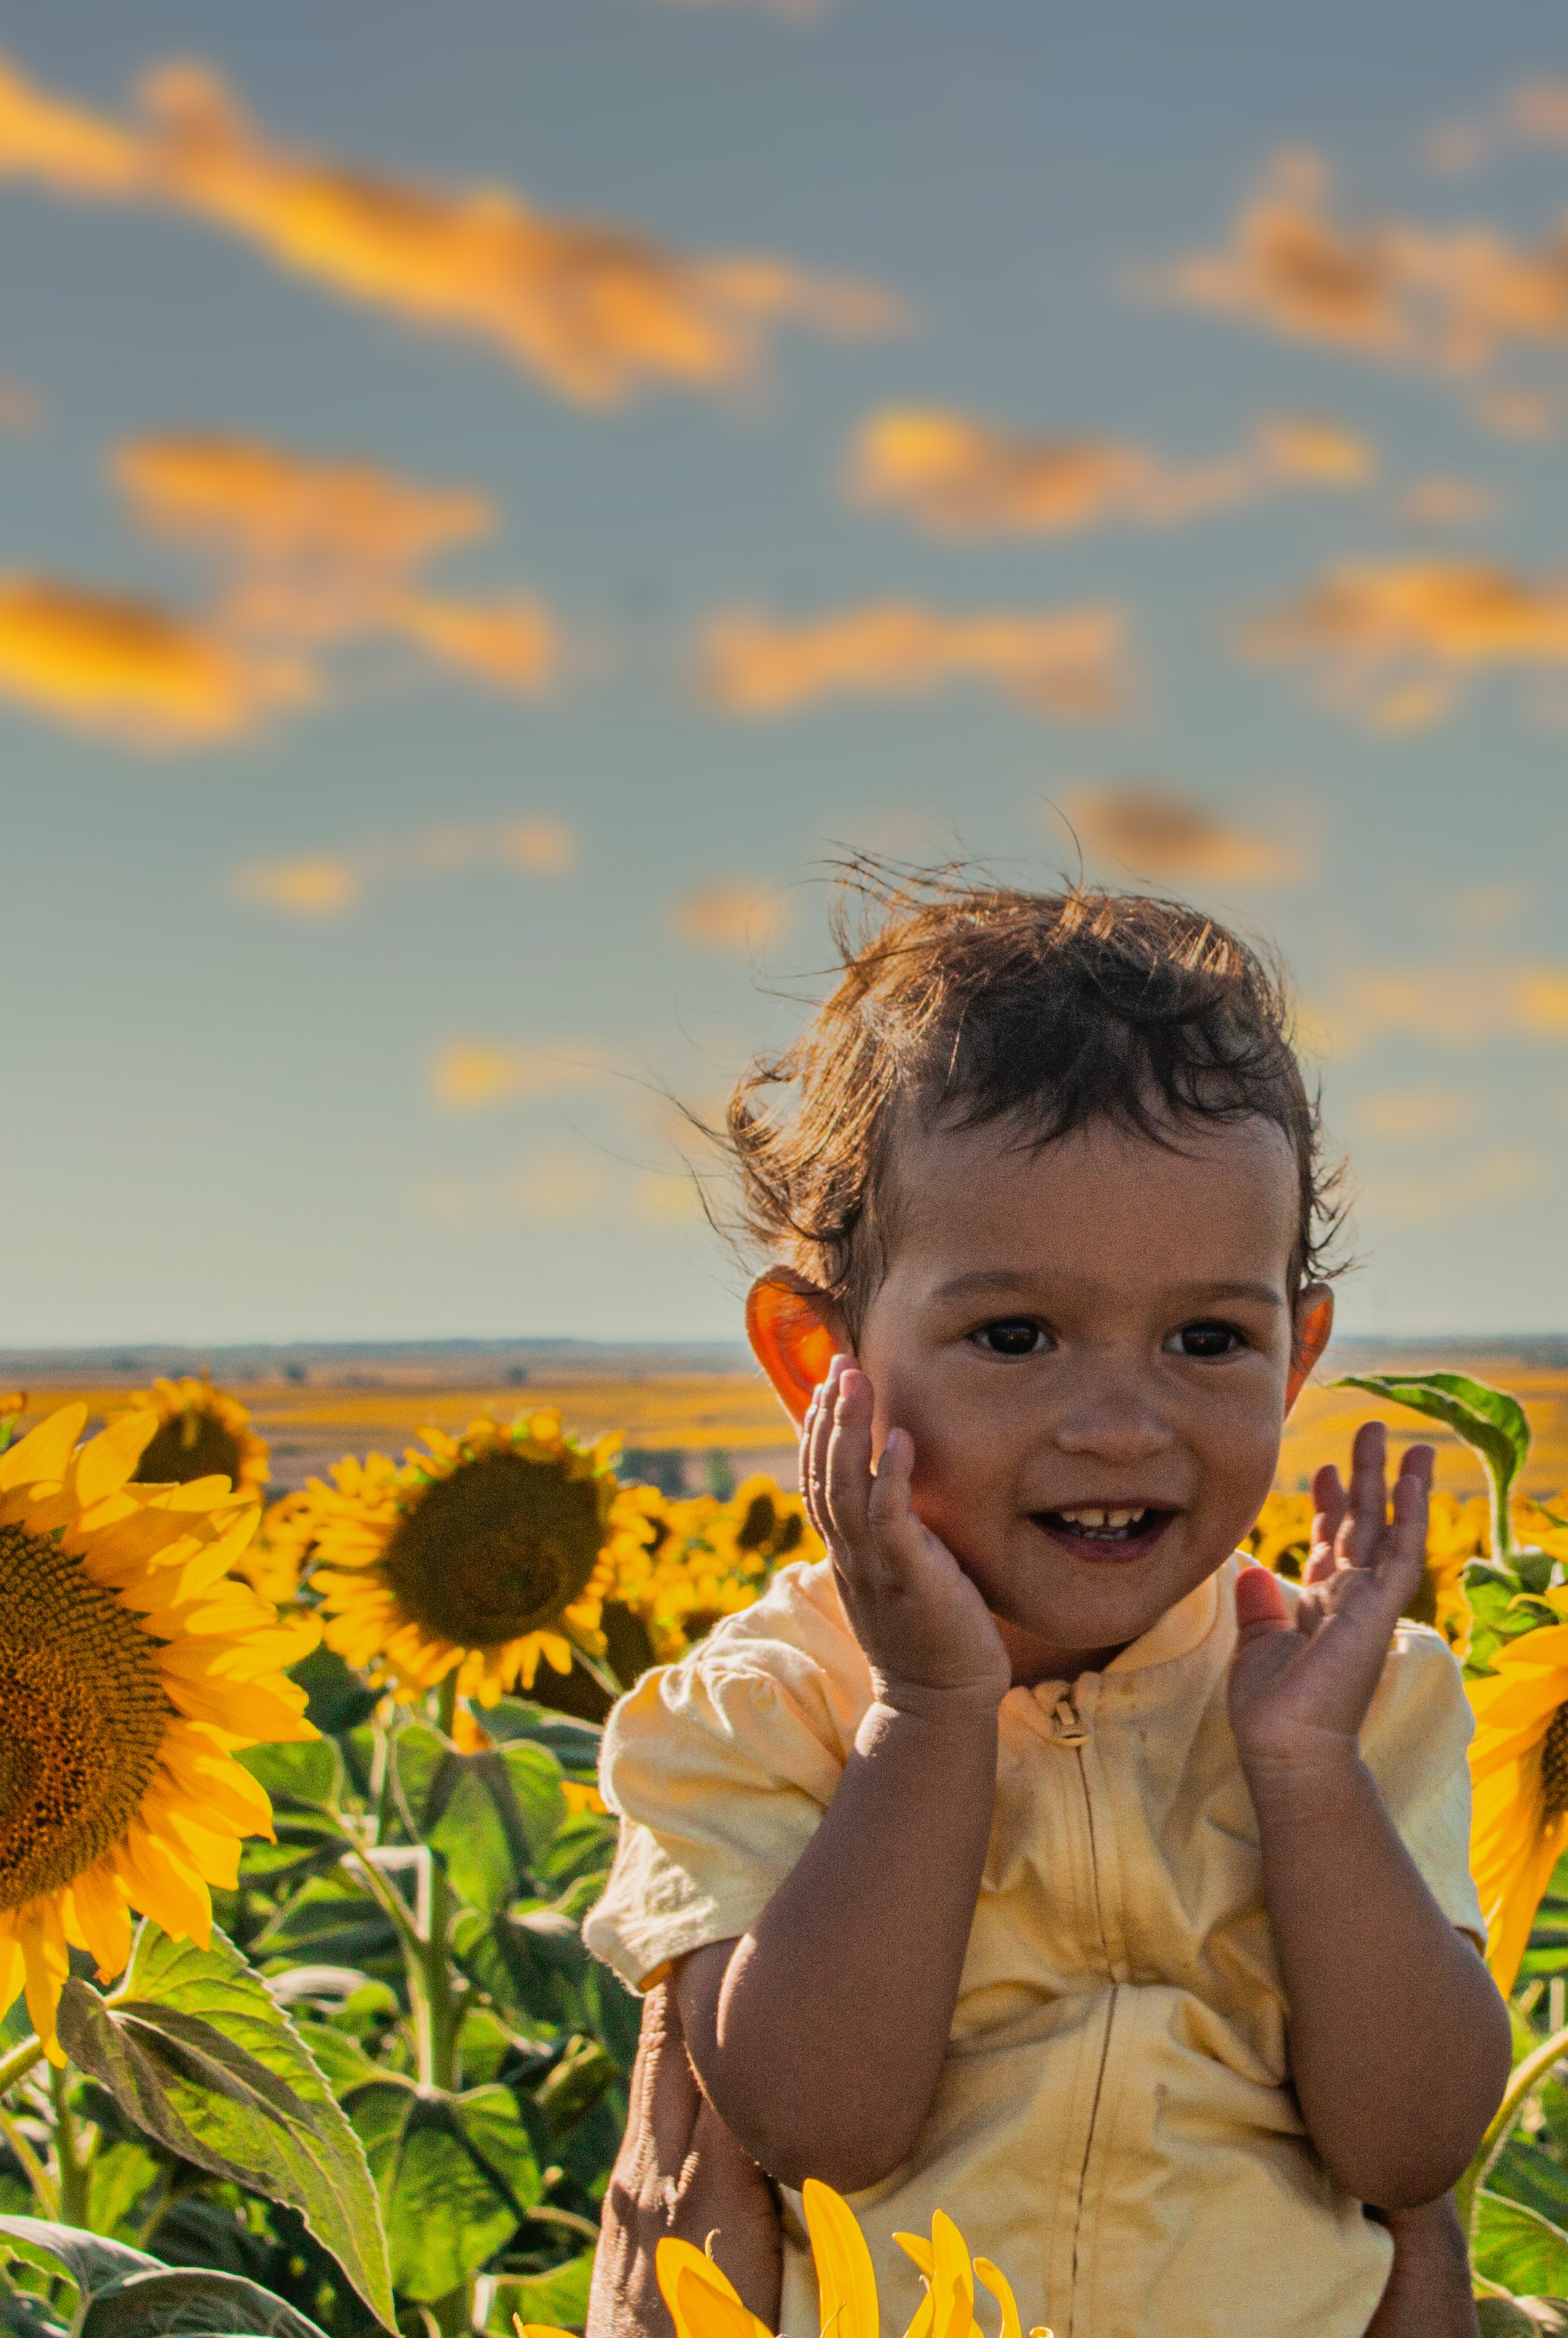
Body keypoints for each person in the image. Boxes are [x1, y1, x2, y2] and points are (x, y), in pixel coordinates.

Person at [581, 877, 1510, 2338]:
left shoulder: (1351, 1703)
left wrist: (1307, 1779)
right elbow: (812, 2125)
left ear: (1299, 1353)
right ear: (815, 1355)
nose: (1122, 1425)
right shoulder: (763, 1711)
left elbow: (1413, 2148)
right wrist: (929, 1714)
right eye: (1015, 1335)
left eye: (1208, 1337)